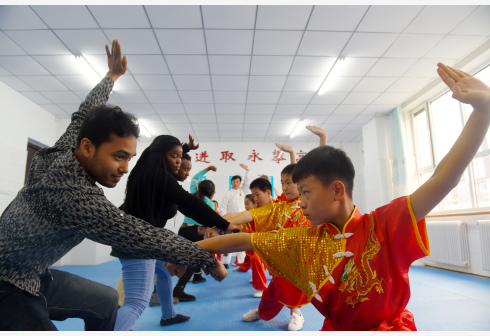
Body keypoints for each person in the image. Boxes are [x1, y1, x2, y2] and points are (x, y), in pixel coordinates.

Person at [197, 63, 490, 330]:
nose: (300, 201)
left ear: (337, 190)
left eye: (306, 192)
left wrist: (483, 111)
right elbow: (242, 239)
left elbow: (444, 178)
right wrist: (184, 249)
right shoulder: (305, 238)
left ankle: (293, 313)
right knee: (279, 288)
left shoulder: (384, 224)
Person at [0, 40, 227, 331]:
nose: (125, 168)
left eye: (129, 157)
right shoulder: (75, 198)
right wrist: (206, 259)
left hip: (32, 272)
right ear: (88, 147)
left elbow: (84, 113)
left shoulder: (63, 151)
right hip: (7, 284)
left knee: (107, 300)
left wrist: (112, 76)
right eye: (118, 157)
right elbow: (141, 235)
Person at [110, 134, 237, 330]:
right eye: (174, 157)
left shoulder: (146, 171)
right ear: (161, 156)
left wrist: (184, 148)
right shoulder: (161, 178)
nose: (179, 162)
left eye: (180, 157)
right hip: (138, 244)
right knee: (137, 302)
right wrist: (224, 224)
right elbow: (190, 204)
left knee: (163, 274)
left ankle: (168, 316)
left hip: (145, 241)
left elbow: (155, 151)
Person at [226, 164, 311, 331]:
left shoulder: (307, 202)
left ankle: (297, 313)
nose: (285, 187)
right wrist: (220, 223)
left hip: (299, 257)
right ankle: (263, 311)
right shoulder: (280, 205)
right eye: (282, 183)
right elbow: (244, 216)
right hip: (279, 257)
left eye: (289, 183)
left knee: (292, 287)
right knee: (273, 290)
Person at [173, 165, 218, 302]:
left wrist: (207, 169)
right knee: (194, 259)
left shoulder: (193, 192)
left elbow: (194, 178)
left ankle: (197, 276)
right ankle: (179, 289)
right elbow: (210, 222)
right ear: (212, 193)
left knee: (182, 257)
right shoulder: (210, 203)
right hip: (196, 232)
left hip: (183, 229)